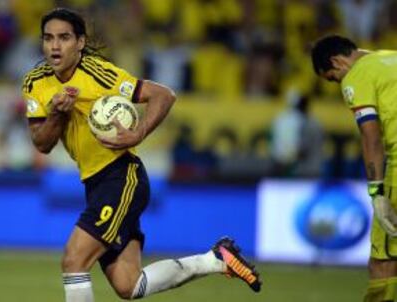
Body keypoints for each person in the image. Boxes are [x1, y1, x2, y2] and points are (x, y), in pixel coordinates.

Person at [22, 7, 261, 302]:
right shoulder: (35, 82)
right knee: (129, 285)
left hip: (121, 176)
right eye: (48, 38)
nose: (55, 46)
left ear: (80, 42)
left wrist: (138, 133)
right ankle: (215, 259)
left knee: (74, 260)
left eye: (64, 38)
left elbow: (163, 95)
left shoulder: (99, 74)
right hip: (95, 185)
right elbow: (42, 143)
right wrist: (58, 115)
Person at [311, 34, 397, 302]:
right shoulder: (391, 57)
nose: (338, 84)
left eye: (333, 78)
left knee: (383, 262)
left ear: (337, 61)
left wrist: (377, 192)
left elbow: (371, 135)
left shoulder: (356, 76)